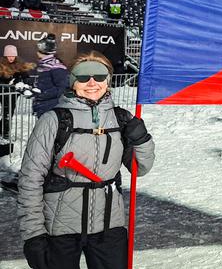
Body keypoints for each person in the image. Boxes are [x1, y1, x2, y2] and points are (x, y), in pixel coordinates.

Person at [17, 51, 155, 269]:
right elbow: (30, 180)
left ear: (108, 81)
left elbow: (142, 168)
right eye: (83, 76)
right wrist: (33, 235)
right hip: (60, 227)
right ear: (73, 81)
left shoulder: (121, 118)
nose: (92, 82)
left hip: (110, 224)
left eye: (99, 76)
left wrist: (142, 139)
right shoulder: (53, 120)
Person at [0, 45, 35, 156]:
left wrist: (25, 83)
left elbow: (26, 77)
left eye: (13, 55)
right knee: (6, 113)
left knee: (9, 112)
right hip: (3, 93)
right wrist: (7, 83)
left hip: (13, 95)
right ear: (5, 55)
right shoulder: (1, 66)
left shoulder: (19, 65)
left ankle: (4, 132)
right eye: (9, 55)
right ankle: (4, 133)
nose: (11, 57)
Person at [33, 34, 69, 117]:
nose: (36, 52)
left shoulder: (56, 67)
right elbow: (44, 83)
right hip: (43, 106)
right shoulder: (44, 66)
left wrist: (42, 94)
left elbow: (62, 88)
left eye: (38, 50)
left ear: (43, 51)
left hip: (51, 108)